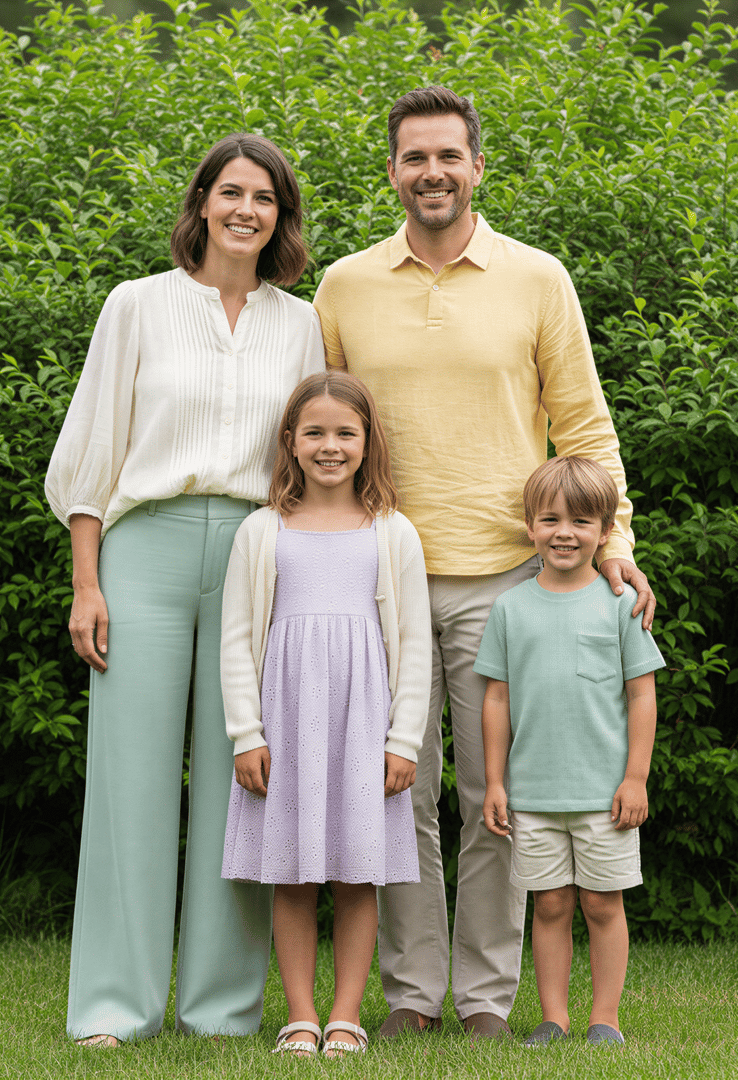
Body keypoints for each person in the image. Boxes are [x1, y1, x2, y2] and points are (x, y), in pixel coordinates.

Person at [312, 85, 657, 1037]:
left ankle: (488, 1002)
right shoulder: (344, 285)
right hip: (379, 577)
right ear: (392, 171)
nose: (432, 173)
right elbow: (318, 430)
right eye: (413, 158)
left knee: (501, 800)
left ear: (475, 166)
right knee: (399, 795)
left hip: (512, 581)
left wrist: (616, 543)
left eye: (447, 157)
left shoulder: (536, 277)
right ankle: (415, 998)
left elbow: (584, 427)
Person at [45, 133, 324, 1045]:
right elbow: (93, 447)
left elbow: (315, 453)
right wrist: (88, 584)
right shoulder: (137, 306)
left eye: (266, 199)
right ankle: (114, 1006)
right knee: (129, 781)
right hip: (145, 551)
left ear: (280, 218)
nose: (247, 210)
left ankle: (221, 1007)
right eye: (231, 192)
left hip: (257, 554)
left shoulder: (301, 322)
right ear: (202, 202)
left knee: (245, 780)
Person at [218, 371, 431, 1056]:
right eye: (315, 432)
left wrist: (404, 741)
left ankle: (347, 1017)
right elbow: (238, 641)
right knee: (294, 871)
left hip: (364, 726)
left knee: (356, 869)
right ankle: (301, 1016)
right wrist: (245, 733)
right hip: (287, 724)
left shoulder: (393, 533)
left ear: (368, 443)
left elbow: (414, 648)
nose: (330, 446)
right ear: (291, 441)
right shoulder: (262, 530)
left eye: (346, 433)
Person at [478, 457, 665, 1047]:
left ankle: (604, 1018)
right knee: (551, 905)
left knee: (603, 905)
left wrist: (635, 779)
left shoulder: (620, 604)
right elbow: (497, 700)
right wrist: (495, 782)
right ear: (529, 527)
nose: (565, 532)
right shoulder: (510, 608)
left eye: (581, 521)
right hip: (532, 792)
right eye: (550, 519)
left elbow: (642, 696)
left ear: (604, 531)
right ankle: (553, 1018)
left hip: (604, 793)